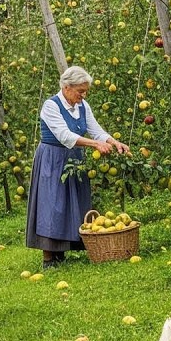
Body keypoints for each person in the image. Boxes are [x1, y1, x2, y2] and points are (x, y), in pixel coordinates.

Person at [26, 66, 129, 269]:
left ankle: (66, 249)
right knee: (52, 204)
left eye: (85, 91)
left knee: (73, 202)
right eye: (80, 91)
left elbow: (95, 129)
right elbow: (64, 136)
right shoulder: (51, 105)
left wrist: (113, 141)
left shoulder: (83, 106)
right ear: (66, 87)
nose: (84, 95)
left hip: (74, 159)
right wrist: (94, 144)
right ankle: (49, 258)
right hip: (52, 159)